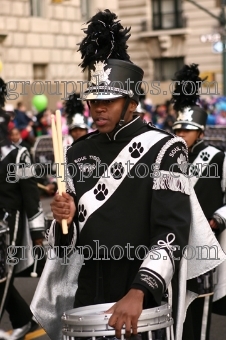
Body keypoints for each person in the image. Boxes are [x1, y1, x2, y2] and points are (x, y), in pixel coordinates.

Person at [32, 10, 225, 340]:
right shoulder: (76, 152)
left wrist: (139, 291)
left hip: (141, 293)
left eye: (109, 100)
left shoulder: (166, 149)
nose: (98, 109)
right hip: (89, 289)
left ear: (132, 103)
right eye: (94, 101)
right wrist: (64, 221)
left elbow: (171, 232)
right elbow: (67, 249)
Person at [171, 63, 226, 340]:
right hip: (175, 242)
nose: (180, 135)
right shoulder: (169, 158)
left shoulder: (218, 158)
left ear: (201, 133)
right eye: (178, 130)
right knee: (176, 309)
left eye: (187, 131)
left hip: (205, 243)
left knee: (200, 304)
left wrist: (217, 219)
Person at [0, 79, 45, 340]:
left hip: (10, 223)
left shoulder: (20, 155)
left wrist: (38, 233)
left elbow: (31, 196)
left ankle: (23, 319)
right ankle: (23, 318)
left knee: (2, 273)